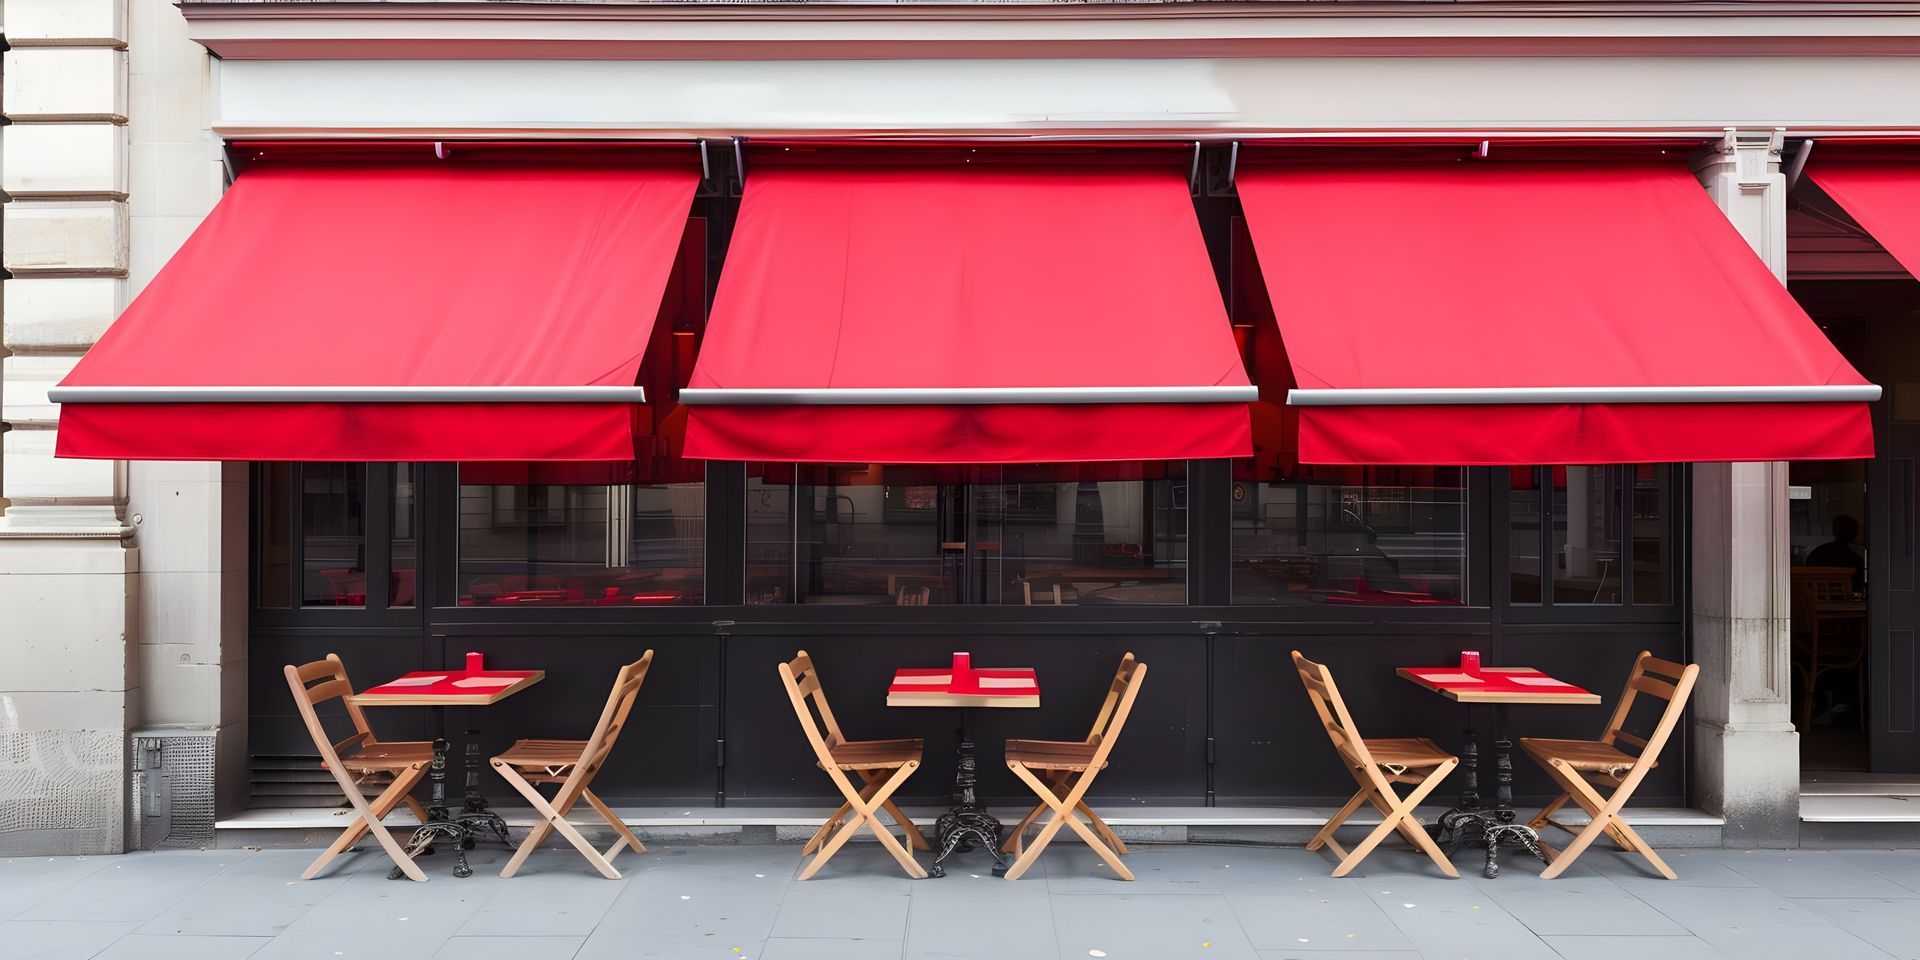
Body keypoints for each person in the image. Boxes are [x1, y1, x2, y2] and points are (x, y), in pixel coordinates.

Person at [1806, 514, 1865, 591]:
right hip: (1843, 602)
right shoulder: (1856, 561)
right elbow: (1858, 590)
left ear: (1834, 530)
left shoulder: (1816, 553)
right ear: (1854, 533)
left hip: (1815, 600)